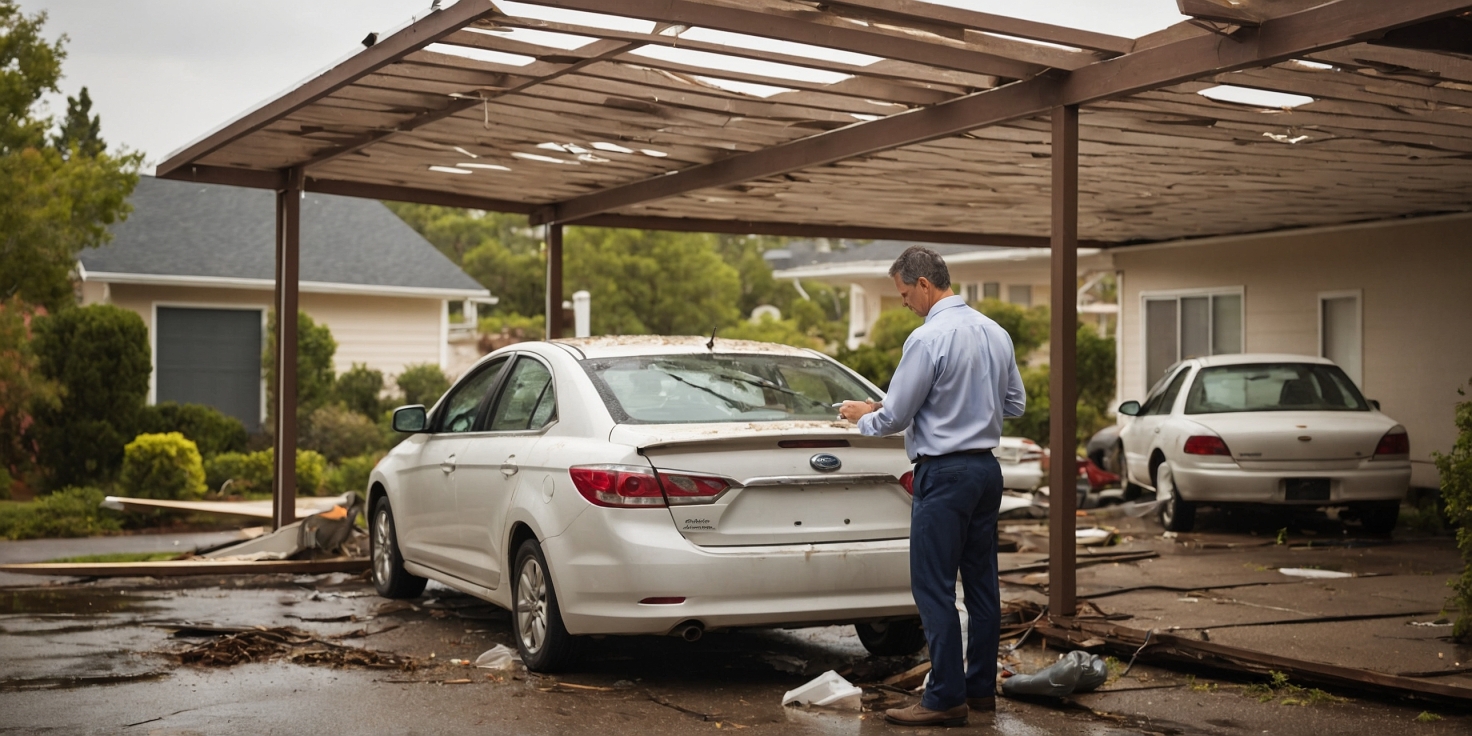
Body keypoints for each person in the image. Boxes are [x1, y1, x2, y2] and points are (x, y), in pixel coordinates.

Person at [840, 245, 1025, 727]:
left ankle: (944, 698)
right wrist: (970, 408)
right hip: (985, 471)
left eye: (904, 294)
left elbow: (895, 417)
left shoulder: (927, 338)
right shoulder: (995, 332)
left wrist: (863, 417)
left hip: (943, 473)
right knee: (982, 586)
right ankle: (980, 691)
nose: (904, 303)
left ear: (924, 284)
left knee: (934, 588)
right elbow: (1015, 404)